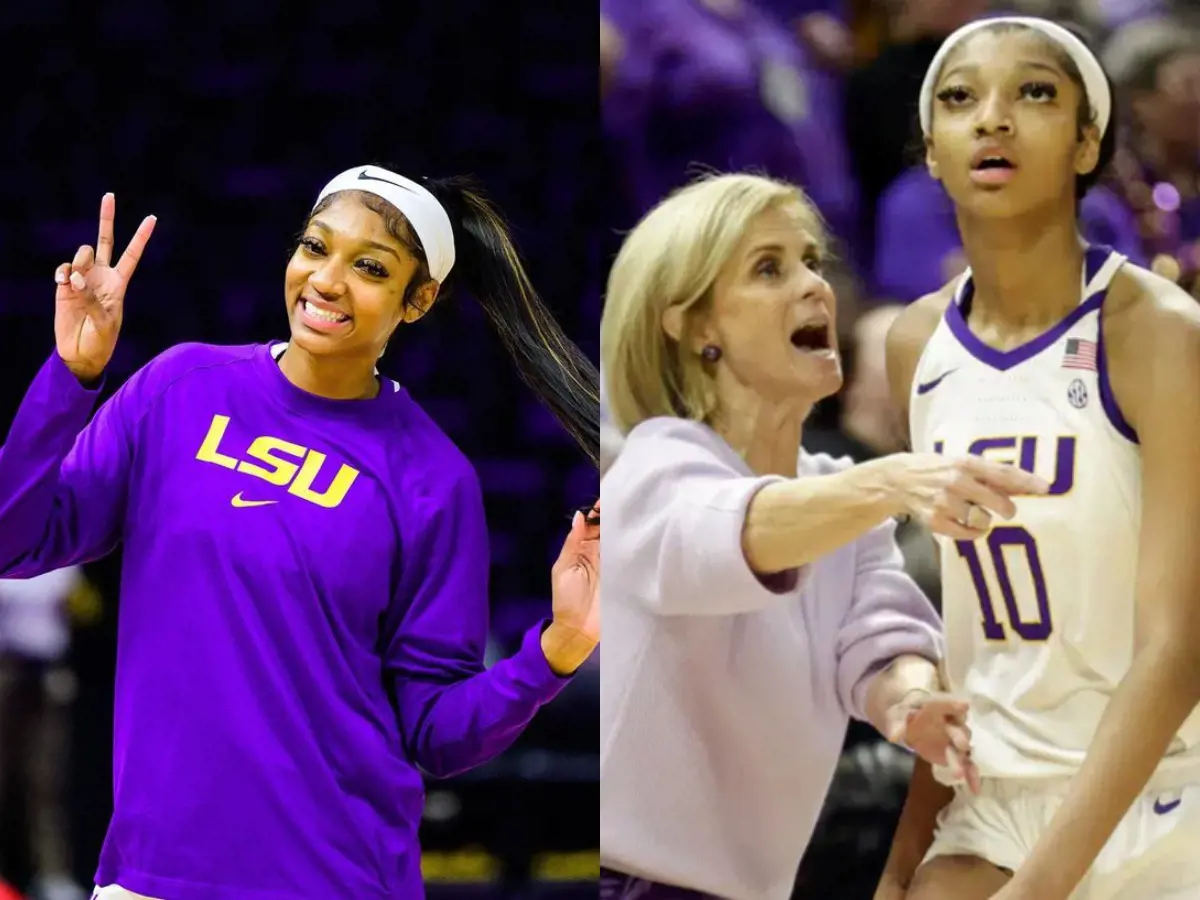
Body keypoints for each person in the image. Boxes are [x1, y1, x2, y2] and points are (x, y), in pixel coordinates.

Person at [0, 165, 600, 900]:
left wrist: (558, 648)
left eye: (370, 267)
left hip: (336, 880)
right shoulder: (178, 388)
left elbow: (437, 733)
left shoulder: (433, 481)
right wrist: (70, 376)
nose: (327, 280)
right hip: (151, 876)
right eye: (315, 248)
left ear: (419, 300)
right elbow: (15, 540)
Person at [599, 171, 1048, 900]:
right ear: (691, 325)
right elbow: (737, 534)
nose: (814, 285)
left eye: (811, 260)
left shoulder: (838, 490)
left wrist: (911, 702)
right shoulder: (654, 463)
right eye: (769, 268)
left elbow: (879, 637)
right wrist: (895, 481)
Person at [876, 17, 1200, 900]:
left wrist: (1039, 889)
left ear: (1088, 141)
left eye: (1034, 93)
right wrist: (901, 865)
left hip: (1161, 796)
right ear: (933, 152)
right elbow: (964, 640)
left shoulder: (1160, 332)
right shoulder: (917, 345)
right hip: (991, 797)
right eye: (960, 99)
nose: (993, 119)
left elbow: (1179, 646)